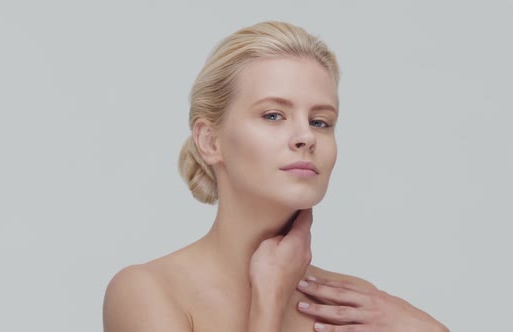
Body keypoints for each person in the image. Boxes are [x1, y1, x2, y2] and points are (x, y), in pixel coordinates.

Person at [102, 21, 449, 332]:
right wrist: (269, 299)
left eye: (320, 122)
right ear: (210, 140)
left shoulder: (353, 306)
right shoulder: (148, 292)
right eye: (273, 115)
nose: (306, 136)